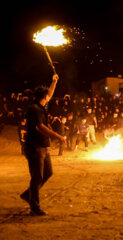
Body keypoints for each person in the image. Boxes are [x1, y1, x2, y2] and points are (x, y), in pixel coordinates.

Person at [20, 74, 66, 216]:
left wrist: (54, 81)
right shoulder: (35, 109)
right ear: (44, 97)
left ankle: (29, 195)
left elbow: (50, 93)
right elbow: (41, 127)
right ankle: (34, 207)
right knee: (37, 176)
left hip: (43, 146)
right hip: (35, 148)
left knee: (48, 173)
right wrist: (58, 136)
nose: (50, 97)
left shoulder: (40, 106)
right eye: (48, 96)